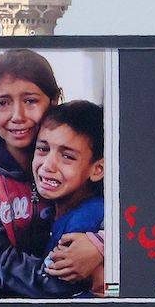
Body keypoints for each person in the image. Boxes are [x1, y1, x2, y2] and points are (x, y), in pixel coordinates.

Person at [0, 49, 102, 298]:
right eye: (2, 103)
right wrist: (64, 281)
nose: (17, 116)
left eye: (30, 101)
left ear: (53, 102)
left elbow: (128, 219)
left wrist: (100, 248)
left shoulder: (77, 159)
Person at [33, 101, 106, 297]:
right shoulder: (49, 210)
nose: (48, 165)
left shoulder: (88, 217)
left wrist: (102, 246)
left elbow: (54, 288)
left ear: (97, 169)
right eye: (42, 149)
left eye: (67, 156)